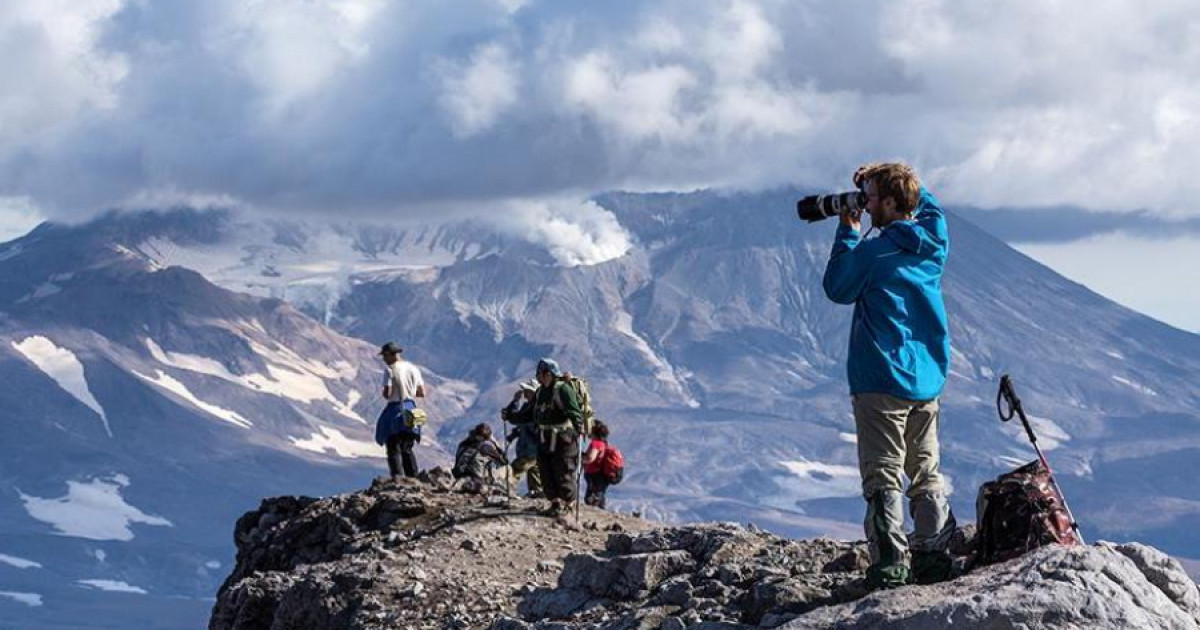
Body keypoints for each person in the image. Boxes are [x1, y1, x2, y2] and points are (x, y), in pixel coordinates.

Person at [821, 162, 956, 589]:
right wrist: (895, 179)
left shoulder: (874, 253)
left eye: (873, 197)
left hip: (881, 378)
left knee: (883, 475)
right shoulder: (934, 241)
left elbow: (838, 287)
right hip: (927, 377)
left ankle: (891, 566)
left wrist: (848, 229)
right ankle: (933, 560)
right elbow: (931, 207)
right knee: (926, 471)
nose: (866, 204)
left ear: (894, 203)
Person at [502, 358, 581, 517]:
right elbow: (528, 415)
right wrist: (510, 416)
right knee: (546, 471)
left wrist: (579, 428)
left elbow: (574, 411)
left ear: (549, 374)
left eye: (541, 374)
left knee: (563, 470)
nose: (539, 377)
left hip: (563, 438)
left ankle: (568, 506)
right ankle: (555, 504)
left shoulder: (563, 390)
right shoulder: (540, 392)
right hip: (544, 437)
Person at [373, 341, 426, 479]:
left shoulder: (390, 370)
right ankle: (413, 477)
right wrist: (409, 391)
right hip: (411, 407)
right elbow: (422, 392)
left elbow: (388, 394)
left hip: (395, 409)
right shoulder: (414, 368)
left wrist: (389, 392)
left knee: (393, 445)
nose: (384, 359)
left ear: (390, 354)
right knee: (407, 447)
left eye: (384, 356)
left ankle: (398, 477)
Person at [504, 380, 544, 497]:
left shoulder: (534, 408)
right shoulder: (530, 406)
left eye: (527, 391)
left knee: (514, 470)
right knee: (534, 471)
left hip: (530, 449)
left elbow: (516, 419)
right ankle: (536, 493)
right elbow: (521, 424)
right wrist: (514, 435)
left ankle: (507, 490)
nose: (525, 393)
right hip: (533, 449)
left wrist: (515, 402)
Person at [453, 423, 507, 493]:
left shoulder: (464, 443)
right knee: (506, 469)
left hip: (458, 474)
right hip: (476, 477)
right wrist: (495, 443)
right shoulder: (485, 446)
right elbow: (503, 461)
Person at [582, 421, 612, 509]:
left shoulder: (596, 444)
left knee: (591, 498)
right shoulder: (604, 443)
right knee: (599, 495)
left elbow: (590, 458)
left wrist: (581, 459)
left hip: (594, 474)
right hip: (601, 475)